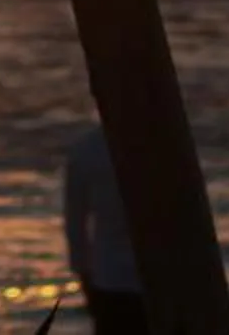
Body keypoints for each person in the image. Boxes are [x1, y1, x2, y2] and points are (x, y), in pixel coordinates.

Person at [62, 124, 144, 333]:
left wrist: (83, 274)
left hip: (109, 277)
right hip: (155, 280)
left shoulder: (86, 148)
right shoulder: (161, 146)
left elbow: (75, 223)